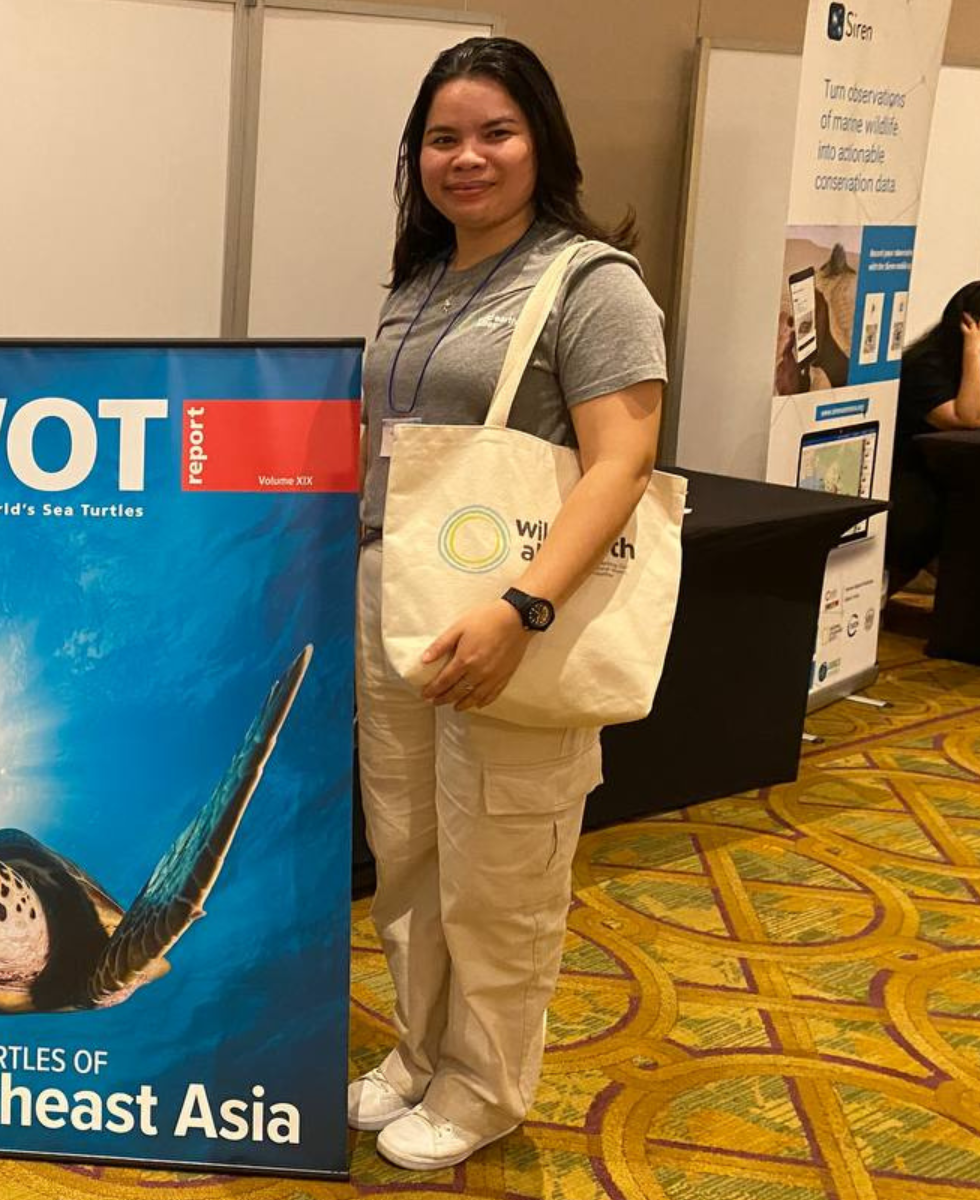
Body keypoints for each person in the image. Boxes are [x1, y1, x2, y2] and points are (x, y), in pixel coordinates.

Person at [348, 39, 665, 1170]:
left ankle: (486, 1085)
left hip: (512, 609)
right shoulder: (420, 281)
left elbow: (621, 464)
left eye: (496, 133)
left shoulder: (593, 283)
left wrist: (521, 610)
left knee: (504, 863)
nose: (466, 157)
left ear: (544, 144)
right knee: (411, 851)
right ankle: (422, 1047)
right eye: (443, 138)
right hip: (395, 599)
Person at [886, 279, 980, 597]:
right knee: (929, 521)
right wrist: (973, 352)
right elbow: (967, 417)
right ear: (969, 323)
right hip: (910, 468)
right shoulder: (927, 364)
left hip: (955, 468)